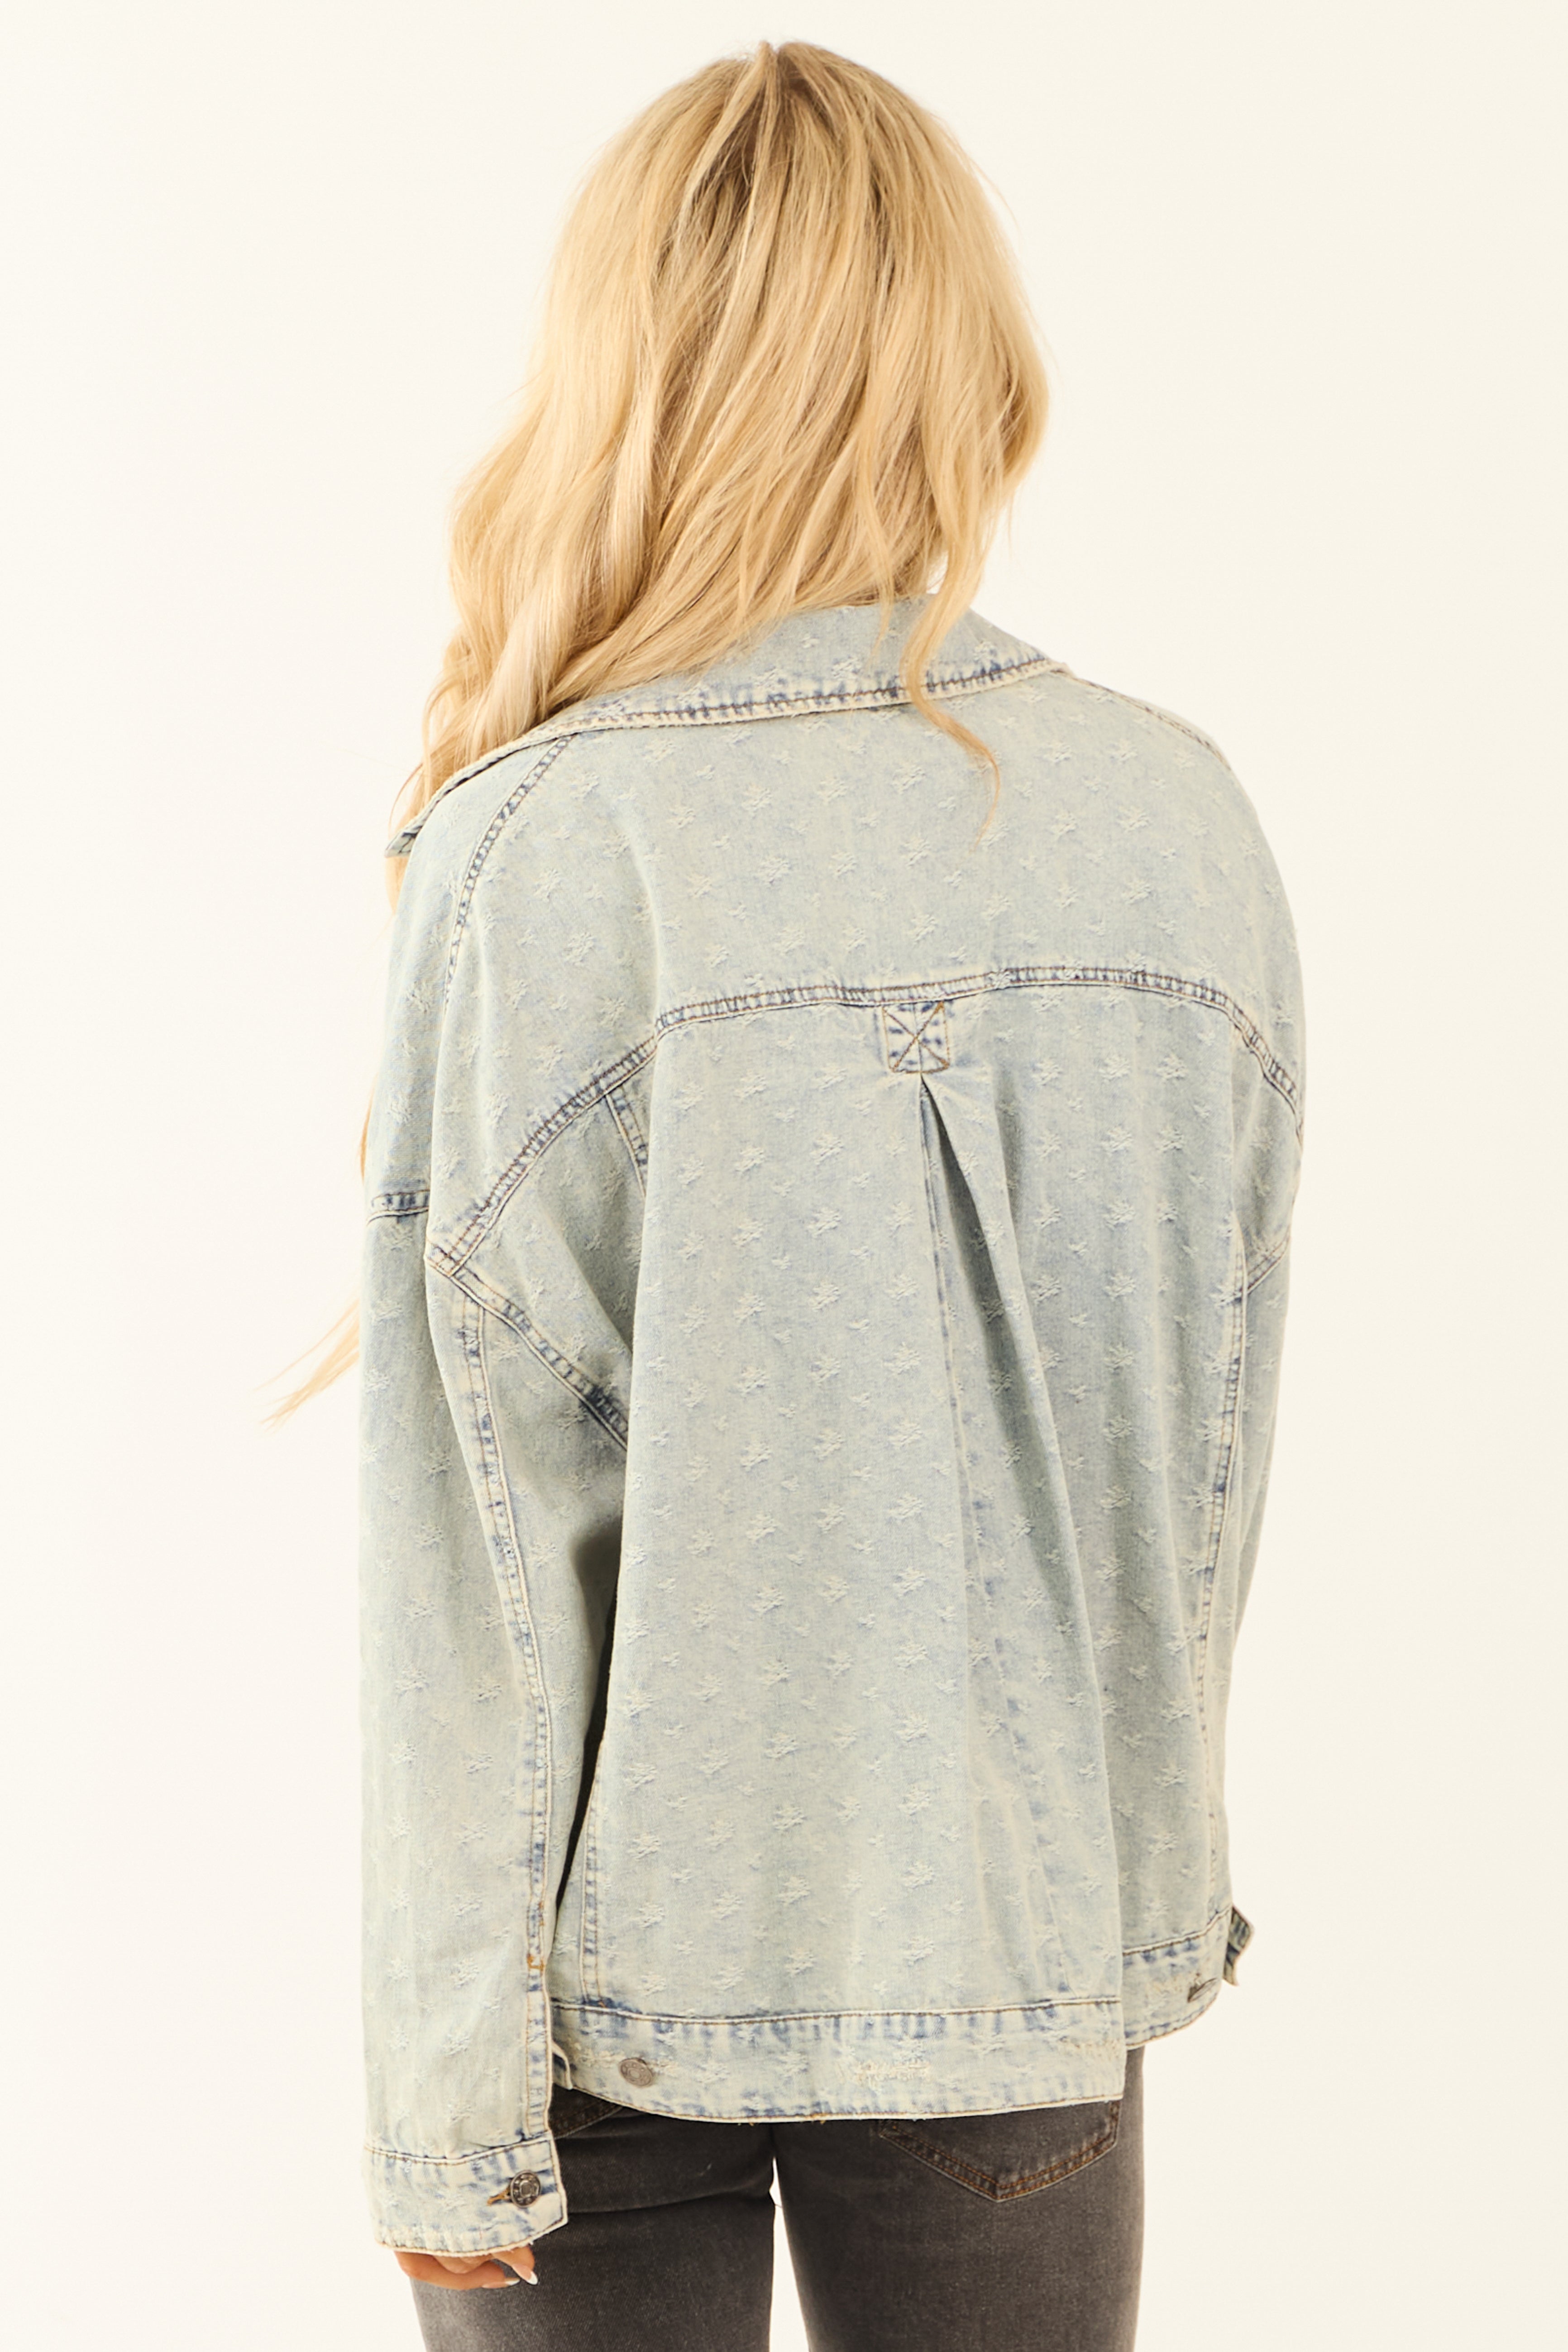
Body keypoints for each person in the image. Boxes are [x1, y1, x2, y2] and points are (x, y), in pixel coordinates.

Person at [286, 38, 1304, 2351]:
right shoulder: (1179, 820)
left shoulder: (545, 846)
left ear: (618, 367)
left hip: (600, 2001)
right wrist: (1100, 1880)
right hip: (1021, 1943)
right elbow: (1194, 1464)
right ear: (967, 363)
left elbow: (474, 1552)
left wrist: (442, 2108)